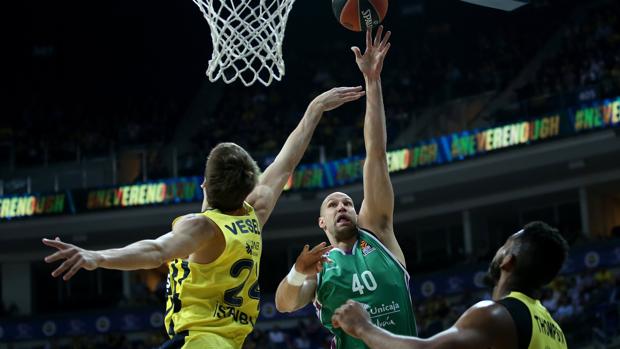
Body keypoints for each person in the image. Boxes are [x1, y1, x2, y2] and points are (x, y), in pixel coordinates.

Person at [42, 85, 365, 349]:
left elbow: (155, 251)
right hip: (229, 341)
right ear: (247, 188)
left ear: (205, 185)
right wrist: (314, 110)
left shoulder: (202, 226)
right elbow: (285, 163)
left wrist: (96, 256)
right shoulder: (254, 214)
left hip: (199, 341)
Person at [274, 26, 418, 349]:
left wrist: (373, 81)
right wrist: (298, 272)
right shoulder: (320, 267)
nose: (342, 206)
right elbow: (283, 304)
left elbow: (376, 154)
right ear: (321, 222)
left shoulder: (378, 231)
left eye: (347, 203)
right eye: (332, 204)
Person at [331, 221, 570, 349]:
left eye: (505, 245)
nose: (498, 250)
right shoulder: (555, 331)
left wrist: (363, 327)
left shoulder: (495, 314)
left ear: (508, 261)